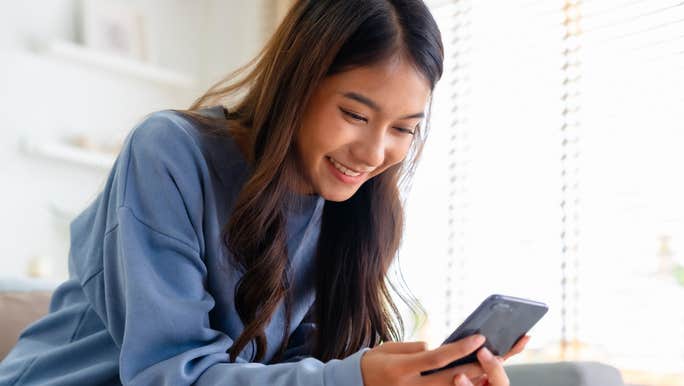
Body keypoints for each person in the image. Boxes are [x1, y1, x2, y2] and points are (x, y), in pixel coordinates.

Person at [0, 1, 529, 385]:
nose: (374, 153)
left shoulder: (354, 206)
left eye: (403, 129)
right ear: (297, 83)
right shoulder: (170, 153)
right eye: (355, 114)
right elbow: (167, 376)